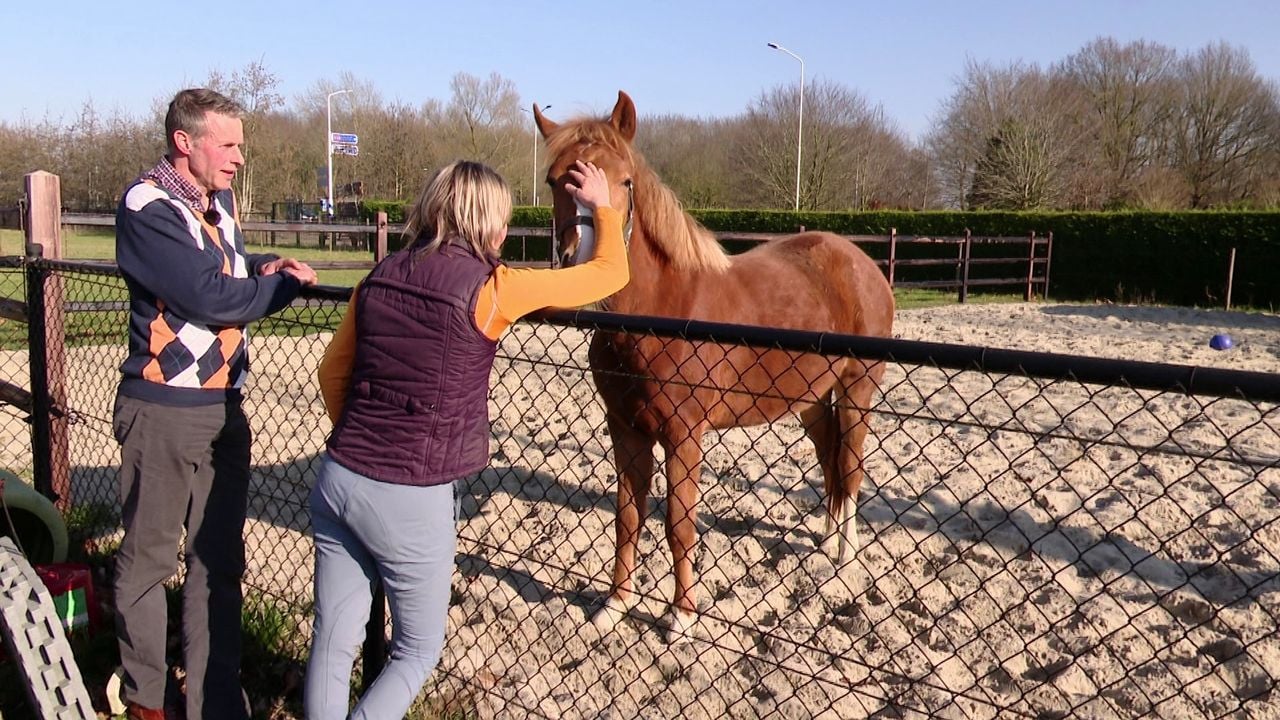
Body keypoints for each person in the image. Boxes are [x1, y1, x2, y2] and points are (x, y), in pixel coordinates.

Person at [305, 159, 629, 719]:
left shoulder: (377, 276)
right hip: (413, 489)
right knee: (416, 651)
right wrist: (602, 204)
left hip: (340, 476)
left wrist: (363, 439)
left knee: (333, 642)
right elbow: (608, 274)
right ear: (489, 226)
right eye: (502, 222)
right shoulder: (493, 287)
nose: (505, 233)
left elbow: (332, 375)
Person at [112, 87, 318, 720]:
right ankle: (148, 699)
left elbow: (222, 268)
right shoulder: (147, 205)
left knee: (218, 563)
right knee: (148, 560)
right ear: (185, 142)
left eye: (239, 145)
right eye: (227, 145)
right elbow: (210, 297)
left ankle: (215, 702)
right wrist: (278, 288)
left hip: (225, 406)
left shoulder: (215, 200)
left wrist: (261, 262)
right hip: (165, 409)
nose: (238, 158)